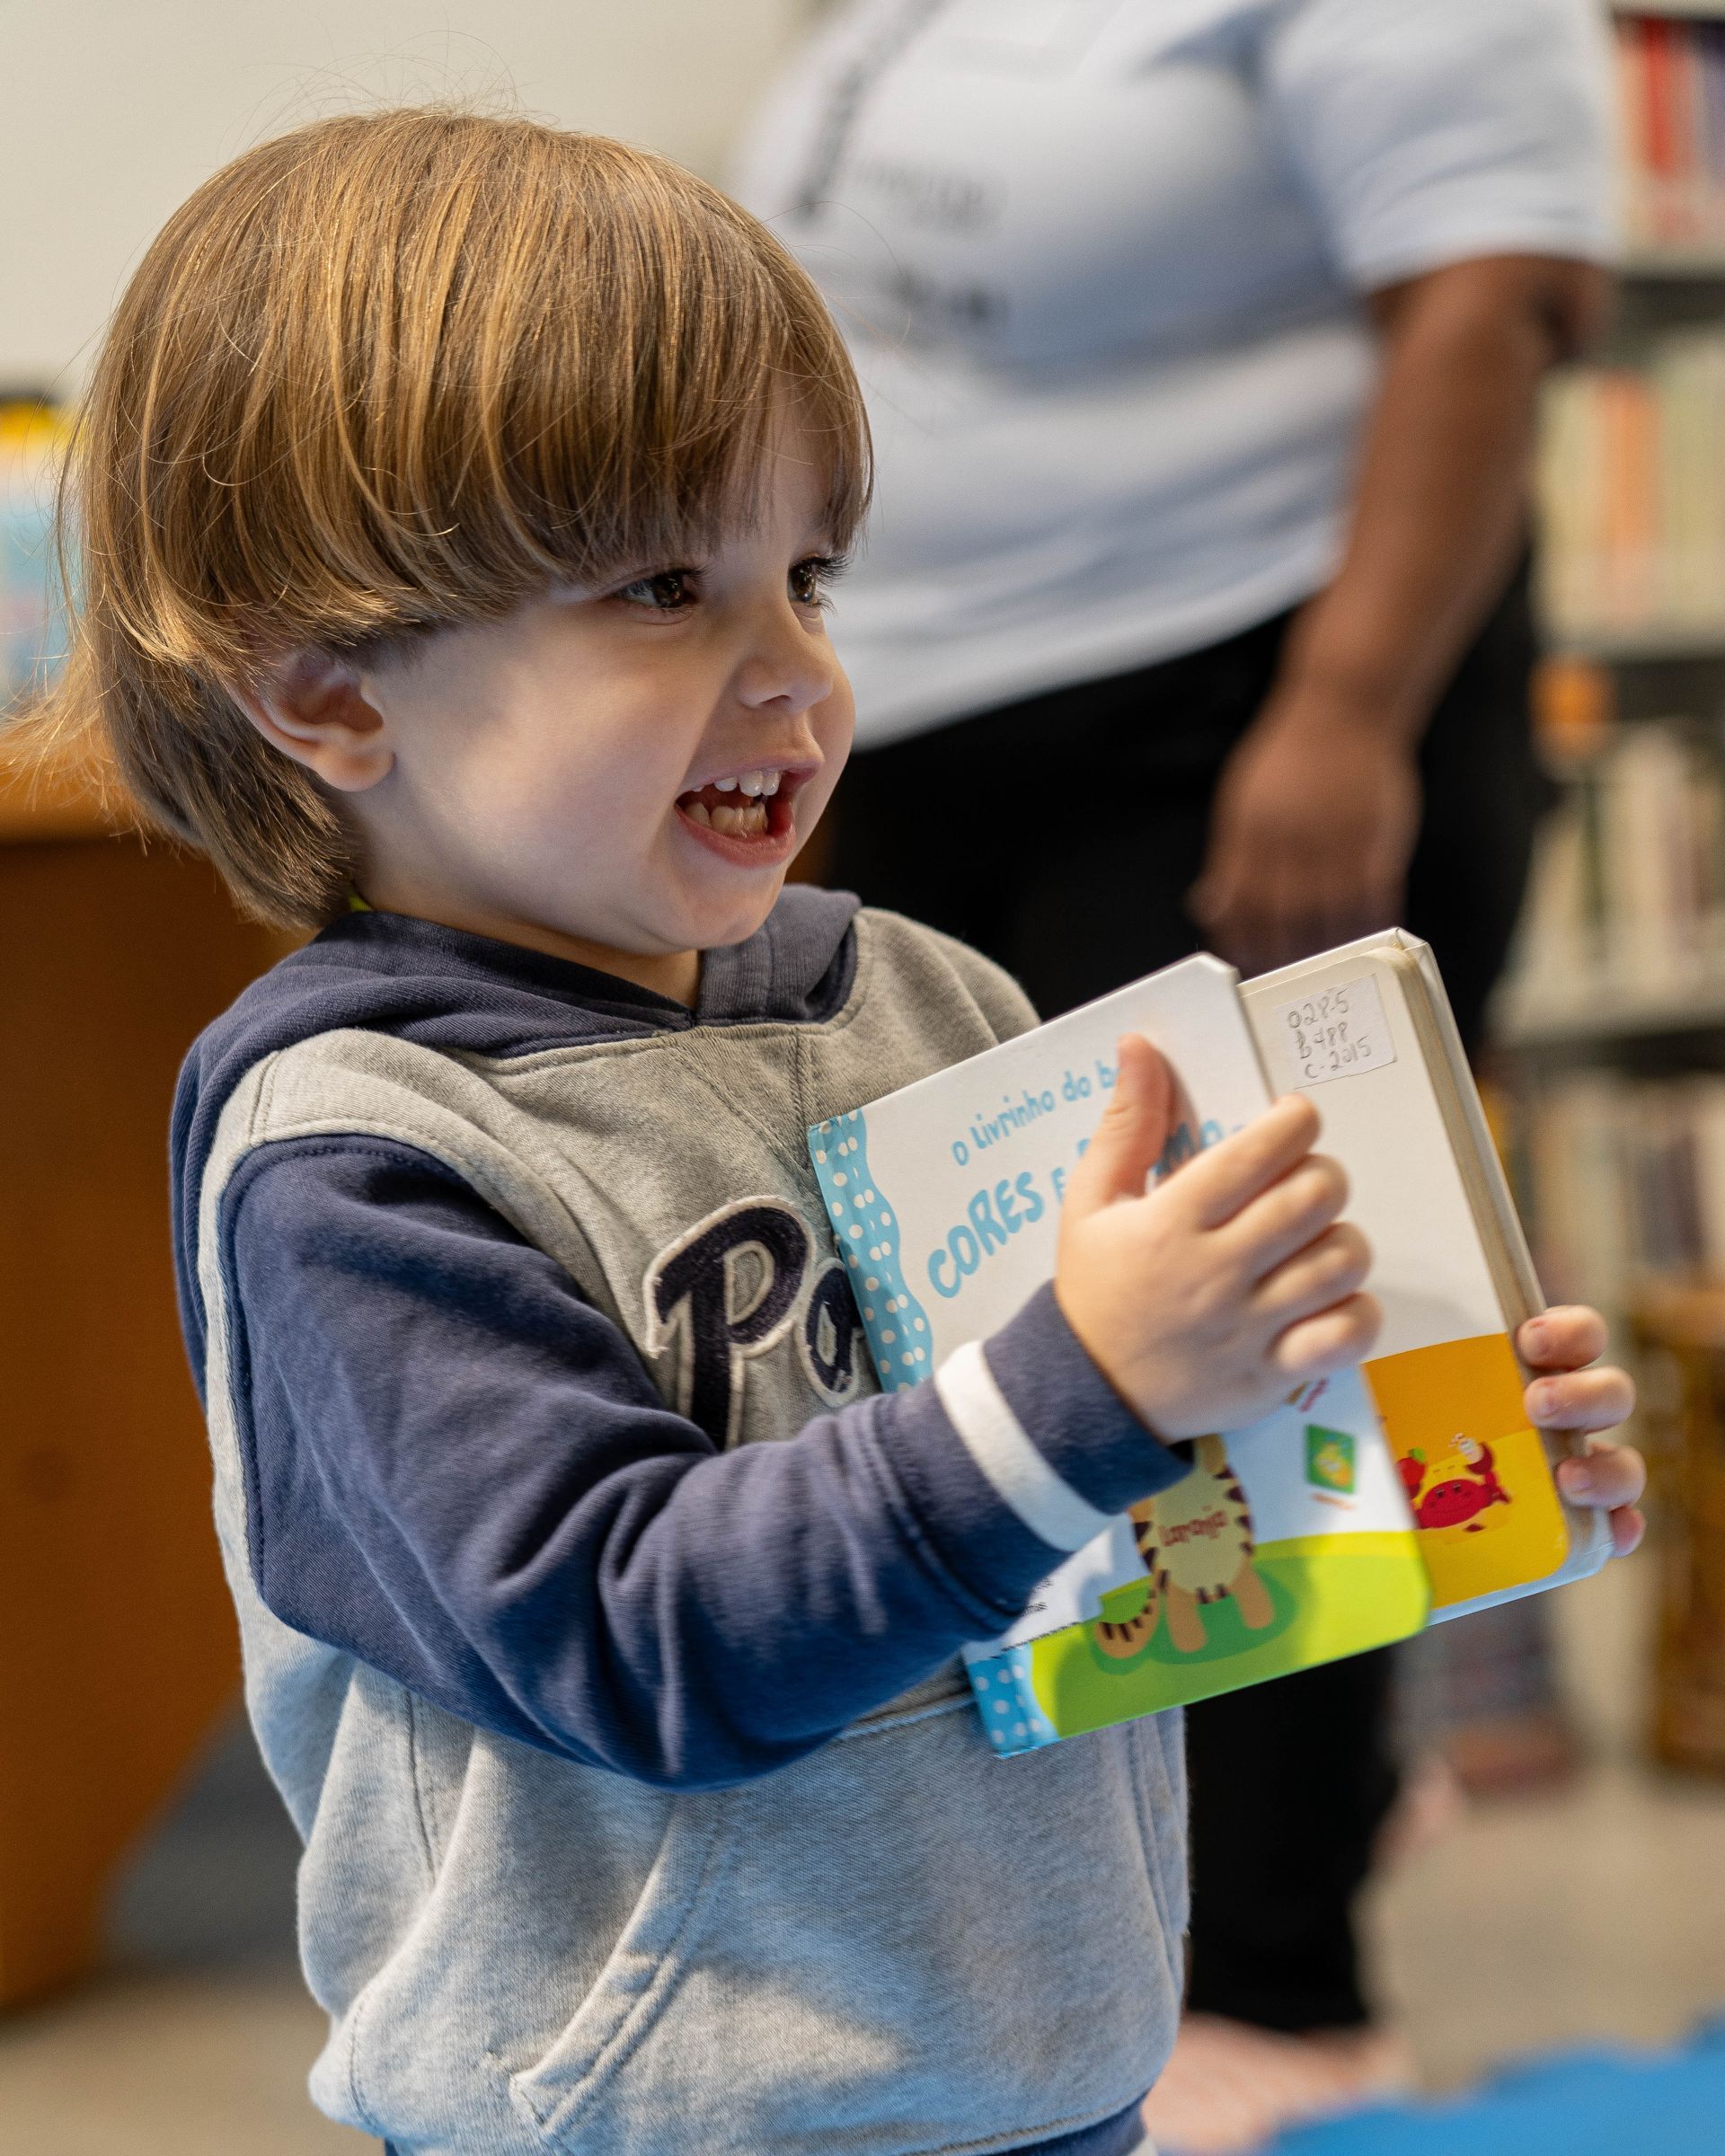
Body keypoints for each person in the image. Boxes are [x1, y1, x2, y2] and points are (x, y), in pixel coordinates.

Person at [37, 110, 1645, 2156]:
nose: (796, 675)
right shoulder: (356, 1154)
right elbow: (635, 1638)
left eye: (806, 573)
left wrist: (1430, 1480)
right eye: (659, 588)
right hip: (649, 2117)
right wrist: (1087, 1378)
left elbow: (1094, 1568)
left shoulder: (930, 1004)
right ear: (332, 696)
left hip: (1046, 2066)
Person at [734, 4, 1616, 2138]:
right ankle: (1157, 1896)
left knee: (1264, 1336)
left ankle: (1289, 1996)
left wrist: (1338, 714)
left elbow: (1487, 305)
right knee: (1029, 1343)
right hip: (936, 731)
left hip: (1233, 722)